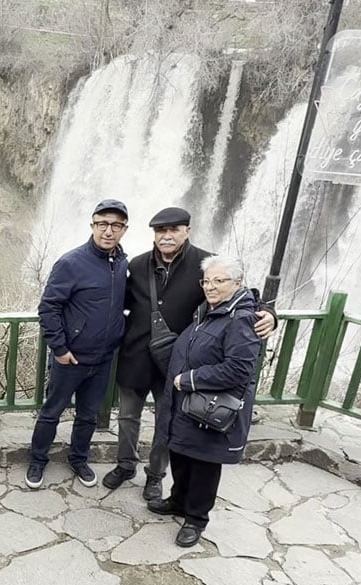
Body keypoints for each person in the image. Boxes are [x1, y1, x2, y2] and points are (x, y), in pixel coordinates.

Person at [103, 207, 275, 502]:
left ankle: (155, 475)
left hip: (177, 363)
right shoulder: (139, 263)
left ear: (187, 231)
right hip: (135, 356)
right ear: (154, 234)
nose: (166, 236)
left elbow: (239, 294)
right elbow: (118, 299)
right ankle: (125, 464)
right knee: (128, 416)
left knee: (165, 420)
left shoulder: (204, 265)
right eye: (160, 231)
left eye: (174, 230)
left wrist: (270, 313)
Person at [151, 255, 262, 547]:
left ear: (237, 284)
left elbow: (239, 369)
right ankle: (178, 500)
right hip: (188, 405)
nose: (210, 287)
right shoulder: (208, 310)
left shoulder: (241, 319)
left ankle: (196, 518)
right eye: (207, 281)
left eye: (219, 281)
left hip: (207, 406)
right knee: (182, 453)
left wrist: (188, 379)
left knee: (204, 463)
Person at [27, 199, 130, 489]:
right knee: (52, 412)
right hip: (70, 358)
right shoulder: (71, 263)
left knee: (88, 416)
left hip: (104, 358)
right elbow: (49, 308)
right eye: (102, 224)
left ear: (124, 229)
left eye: (116, 225)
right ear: (93, 226)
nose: (108, 231)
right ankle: (37, 461)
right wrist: (59, 349)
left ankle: (79, 459)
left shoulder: (121, 263)